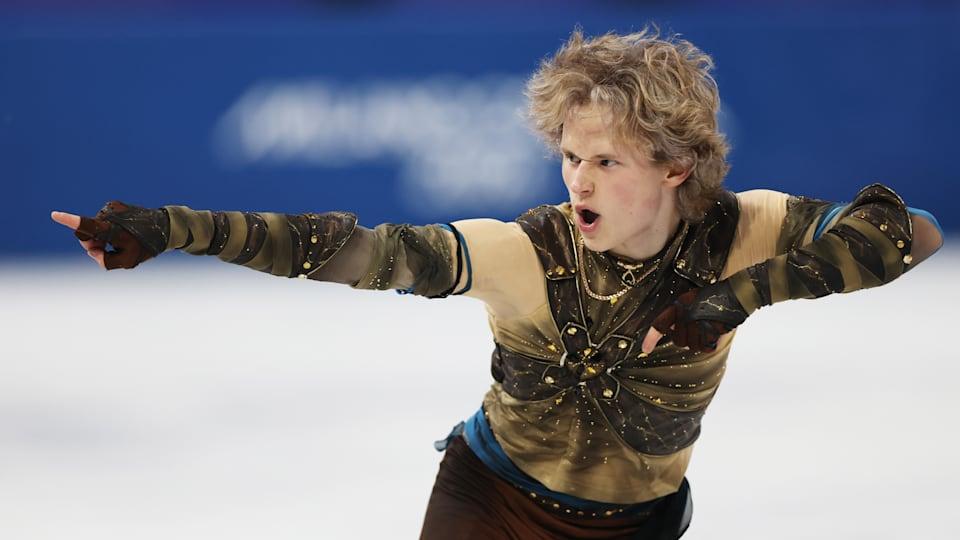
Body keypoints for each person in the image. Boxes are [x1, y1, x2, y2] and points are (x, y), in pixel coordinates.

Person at [51, 28, 943, 540]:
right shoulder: (527, 252)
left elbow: (910, 232)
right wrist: (174, 227)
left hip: (639, 523)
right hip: (492, 502)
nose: (579, 181)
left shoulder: (743, 232)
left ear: (676, 165)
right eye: (569, 157)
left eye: (606, 161)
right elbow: (348, 250)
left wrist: (735, 297)